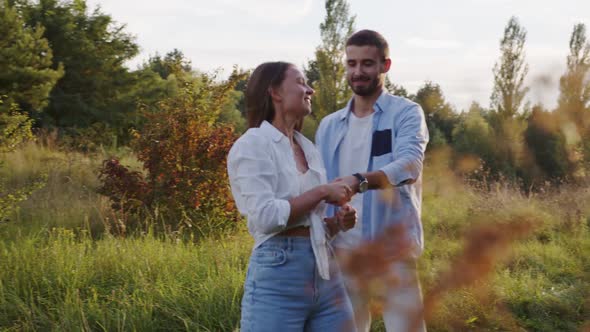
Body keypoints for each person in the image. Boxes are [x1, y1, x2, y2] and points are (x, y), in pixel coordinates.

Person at [227, 61, 358, 332]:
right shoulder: (252, 145)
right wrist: (322, 191)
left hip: (325, 270)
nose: (309, 89)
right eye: (300, 82)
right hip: (278, 275)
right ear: (275, 92)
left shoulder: (307, 147)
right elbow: (265, 218)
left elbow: (310, 223)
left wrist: (337, 224)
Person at [315, 30, 429, 332]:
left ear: (385, 65)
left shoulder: (406, 113)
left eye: (367, 63)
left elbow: (409, 165)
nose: (357, 72)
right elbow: (322, 183)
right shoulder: (328, 125)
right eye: (351, 63)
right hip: (342, 248)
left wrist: (358, 181)